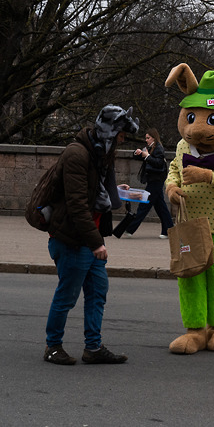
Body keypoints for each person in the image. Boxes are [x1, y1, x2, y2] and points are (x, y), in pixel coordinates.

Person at [43, 104, 139, 365]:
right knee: (67, 296)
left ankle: (93, 348)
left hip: (88, 237)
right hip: (73, 238)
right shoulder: (78, 154)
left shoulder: (97, 152)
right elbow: (76, 204)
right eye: (121, 133)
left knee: (97, 291)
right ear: (109, 131)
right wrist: (96, 243)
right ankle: (53, 347)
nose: (123, 139)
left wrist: (114, 189)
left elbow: (90, 190)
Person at [124, 128, 174, 238]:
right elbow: (145, 159)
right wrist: (138, 153)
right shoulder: (152, 148)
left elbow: (158, 163)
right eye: (146, 138)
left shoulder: (158, 149)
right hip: (154, 180)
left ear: (154, 138)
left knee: (144, 206)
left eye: (148, 138)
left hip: (156, 181)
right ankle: (169, 230)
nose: (146, 140)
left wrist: (146, 156)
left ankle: (130, 229)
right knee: (161, 207)